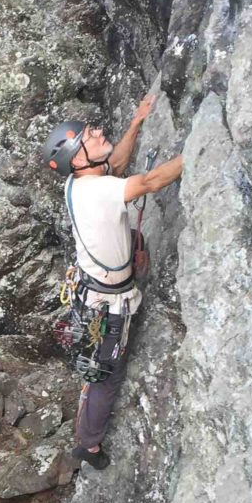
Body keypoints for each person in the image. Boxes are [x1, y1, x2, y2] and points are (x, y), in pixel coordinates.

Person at [43, 96, 183, 470]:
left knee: (98, 363)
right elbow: (151, 181)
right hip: (109, 304)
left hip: (92, 291)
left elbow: (116, 165)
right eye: (89, 136)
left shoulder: (78, 182)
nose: (98, 132)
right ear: (77, 159)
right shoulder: (97, 191)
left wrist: (136, 122)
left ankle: (87, 399)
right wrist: (197, 151)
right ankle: (88, 446)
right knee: (108, 375)